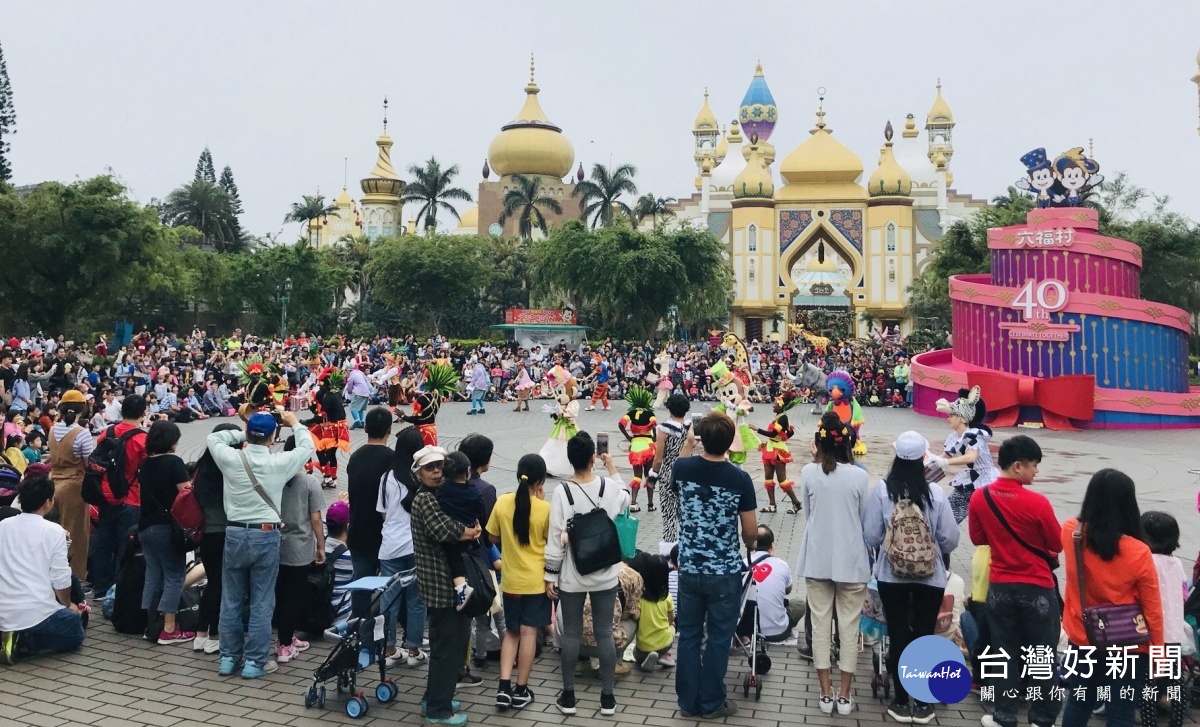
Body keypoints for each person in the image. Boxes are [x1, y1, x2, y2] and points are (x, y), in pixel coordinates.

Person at [207, 409, 314, 679]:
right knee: (262, 601)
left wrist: (245, 431)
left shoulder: (231, 458)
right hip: (265, 535)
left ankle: (228, 658)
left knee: (231, 599)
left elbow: (214, 438)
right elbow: (308, 445)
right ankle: (255, 662)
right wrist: (295, 423)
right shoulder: (279, 463)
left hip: (234, 534)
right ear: (273, 435)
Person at [863, 431, 959, 724]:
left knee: (899, 633)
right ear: (922, 458)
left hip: (891, 576)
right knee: (922, 634)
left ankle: (901, 701)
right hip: (930, 578)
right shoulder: (935, 493)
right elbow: (950, 539)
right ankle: (923, 702)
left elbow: (871, 535)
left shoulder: (882, 490)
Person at [967, 435, 1062, 727]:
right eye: (1033, 466)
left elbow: (977, 538)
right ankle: (1042, 718)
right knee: (1042, 655)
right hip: (1037, 588)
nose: (1036, 471)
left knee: (1004, 652)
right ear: (1018, 466)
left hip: (1000, 588)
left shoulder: (980, 497)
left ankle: (1004, 715)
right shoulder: (1038, 502)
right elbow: (1056, 543)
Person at [1059, 469, 1163, 727]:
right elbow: (1152, 609)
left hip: (1084, 636)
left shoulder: (1071, 533)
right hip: (1128, 644)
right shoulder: (1139, 551)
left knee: (1079, 701)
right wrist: (1157, 654)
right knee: (1121, 710)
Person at [673, 411, 757, 719]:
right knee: (719, 638)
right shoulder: (740, 478)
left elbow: (678, 469)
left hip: (690, 568)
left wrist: (688, 444)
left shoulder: (683, 468)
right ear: (729, 442)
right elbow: (750, 530)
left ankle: (687, 702)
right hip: (724, 571)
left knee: (689, 635)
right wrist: (751, 544)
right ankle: (711, 702)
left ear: (701, 438)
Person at [545, 431, 630, 716]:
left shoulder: (561, 491)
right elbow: (627, 499)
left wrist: (550, 577)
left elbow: (555, 539)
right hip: (606, 571)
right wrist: (613, 468)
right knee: (605, 633)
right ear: (594, 456)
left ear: (570, 460)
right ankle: (607, 699)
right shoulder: (608, 486)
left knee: (571, 635)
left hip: (573, 574)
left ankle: (568, 697)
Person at [796, 411, 871, 716]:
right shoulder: (860, 476)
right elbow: (865, 521)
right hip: (851, 561)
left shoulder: (808, 473)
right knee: (850, 629)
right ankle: (844, 694)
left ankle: (825, 694)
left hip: (817, 559)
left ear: (819, 444)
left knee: (820, 627)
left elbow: (808, 514)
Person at [409, 444, 482, 726]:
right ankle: (438, 710)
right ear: (418, 473)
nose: (437, 472)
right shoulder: (425, 500)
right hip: (441, 586)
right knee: (447, 649)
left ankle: (435, 697)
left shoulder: (434, 495)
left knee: (446, 645)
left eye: (439, 466)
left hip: (441, 585)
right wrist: (471, 532)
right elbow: (445, 529)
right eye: (430, 468)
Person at [486, 454, 550, 711]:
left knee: (511, 634)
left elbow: (491, 537)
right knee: (528, 634)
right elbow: (552, 544)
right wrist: (540, 502)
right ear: (541, 481)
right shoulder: (545, 508)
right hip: (536, 582)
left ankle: (503, 687)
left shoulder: (502, 503)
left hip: (510, 581)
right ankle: (521, 689)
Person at [0, 476, 86, 662]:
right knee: (74, 631)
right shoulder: (54, 531)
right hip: (36, 612)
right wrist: (68, 604)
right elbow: (61, 578)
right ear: (48, 502)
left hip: (3, 607)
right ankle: (24, 640)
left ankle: (12, 637)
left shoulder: (3, 526)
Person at [135, 420, 195, 645]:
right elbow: (186, 494)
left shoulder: (145, 465)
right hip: (166, 527)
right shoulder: (174, 463)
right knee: (174, 575)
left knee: (153, 574)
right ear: (171, 441)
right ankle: (169, 628)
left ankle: (150, 624)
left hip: (145, 526)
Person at [378, 427, 429, 668]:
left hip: (390, 547)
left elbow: (383, 514)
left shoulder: (386, 478)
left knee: (389, 600)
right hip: (416, 547)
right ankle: (414, 650)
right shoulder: (422, 478)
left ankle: (389, 650)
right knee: (416, 601)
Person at [89, 394, 148, 599]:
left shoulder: (107, 433)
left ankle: (100, 587)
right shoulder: (142, 439)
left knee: (103, 542)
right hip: (131, 497)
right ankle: (118, 589)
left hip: (106, 495)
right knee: (125, 545)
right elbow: (145, 470)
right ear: (143, 413)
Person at [275, 436, 326, 664]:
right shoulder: (309, 482)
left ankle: (286, 636)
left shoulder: (273, 479)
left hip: (274, 544)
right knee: (292, 596)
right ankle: (285, 644)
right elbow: (315, 519)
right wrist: (321, 546)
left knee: (278, 592)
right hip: (300, 547)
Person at [191, 422, 241, 654]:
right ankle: (214, 636)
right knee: (221, 585)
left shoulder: (202, 468)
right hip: (226, 531)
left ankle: (200, 633)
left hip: (206, 533)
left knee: (213, 582)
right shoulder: (228, 468)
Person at [1139, 511, 1188, 727]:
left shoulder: (1146, 561)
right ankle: (1176, 721)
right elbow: (1184, 593)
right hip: (1175, 633)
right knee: (1175, 680)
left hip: (1154, 634)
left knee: (1149, 681)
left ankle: (1149, 722)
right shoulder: (1176, 563)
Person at [459, 433, 503, 667]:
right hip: (480, 558)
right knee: (491, 610)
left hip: (457, 559)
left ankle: (476, 654)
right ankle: (495, 651)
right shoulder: (486, 490)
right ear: (485, 460)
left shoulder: (450, 485)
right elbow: (490, 532)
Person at [345, 407, 393, 619]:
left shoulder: (355, 457)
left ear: (365, 428)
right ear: (389, 429)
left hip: (357, 530)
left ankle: (358, 627)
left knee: (360, 585)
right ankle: (385, 631)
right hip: (383, 534)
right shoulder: (393, 459)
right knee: (389, 586)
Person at [931, 386, 999, 523]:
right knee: (950, 513)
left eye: (951, 415)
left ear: (962, 418)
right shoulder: (955, 437)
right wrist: (929, 462)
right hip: (972, 478)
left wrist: (944, 462)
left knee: (991, 519)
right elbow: (943, 456)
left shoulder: (975, 435)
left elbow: (970, 457)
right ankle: (941, 533)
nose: (948, 419)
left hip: (986, 481)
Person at [49, 389, 94, 582]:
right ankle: (74, 578)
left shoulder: (52, 429)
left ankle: (53, 573)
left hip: (53, 481)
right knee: (75, 535)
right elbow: (88, 462)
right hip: (74, 485)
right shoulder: (82, 433)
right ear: (82, 409)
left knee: (55, 532)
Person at [434, 451, 485, 611]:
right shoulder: (474, 491)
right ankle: (464, 586)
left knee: (453, 558)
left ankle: (461, 587)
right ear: (468, 471)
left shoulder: (442, 491)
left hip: (453, 532)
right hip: (471, 531)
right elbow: (481, 509)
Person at [736, 525, 802, 645]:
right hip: (778, 632)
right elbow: (787, 590)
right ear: (771, 545)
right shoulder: (782, 564)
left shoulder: (743, 564)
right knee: (799, 603)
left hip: (749, 629)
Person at [757, 391, 801, 514]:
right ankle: (772, 505)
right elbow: (789, 432)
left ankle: (796, 503)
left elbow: (773, 434)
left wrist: (757, 429)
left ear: (780, 406)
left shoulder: (782, 417)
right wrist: (779, 438)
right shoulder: (778, 417)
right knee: (768, 477)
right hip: (770, 448)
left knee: (782, 479)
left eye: (775, 403)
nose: (773, 405)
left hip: (778, 451)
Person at [634, 554, 676, 671]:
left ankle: (645, 658)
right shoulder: (667, 597)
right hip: (664, 643)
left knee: (635, 653)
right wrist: (671, 624)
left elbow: (636, 616)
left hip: (643, 647)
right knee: (672, 626)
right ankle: (664, 655)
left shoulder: (640, 597)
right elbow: (671, 619)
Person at [344, 363, 371, 430]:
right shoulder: (359, 373)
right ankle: (362, 422)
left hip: (358, 393)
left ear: (348, 371)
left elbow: (349, 387)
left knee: (352, 407)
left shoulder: (351, 376)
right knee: (360, 408)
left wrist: (349, 392)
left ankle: (357, 421)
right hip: (366, 392)